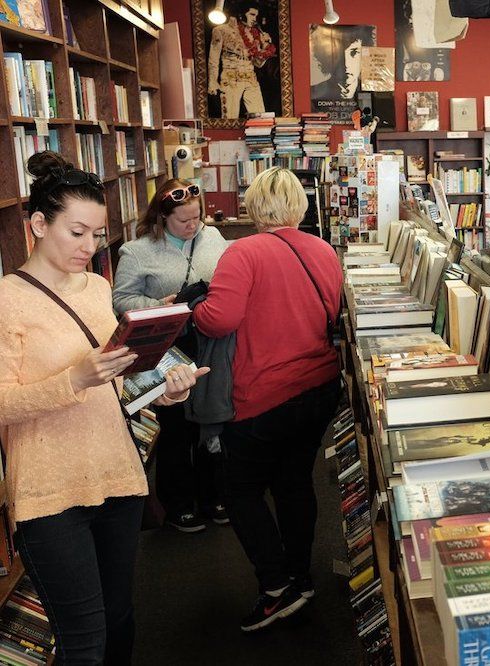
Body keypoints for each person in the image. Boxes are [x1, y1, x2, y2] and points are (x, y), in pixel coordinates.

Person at [0, 151, 205, 663]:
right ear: (38, 224)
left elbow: (119, 377)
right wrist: (73, 379)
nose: (89, 247)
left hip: (117, 477)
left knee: (119, 623)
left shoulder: (97, 287)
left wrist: (166, 388)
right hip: (50, 493)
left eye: (96, 234)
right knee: (84, 643)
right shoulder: (7, 301)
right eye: (77, 233)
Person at [192, 167, 343, 632]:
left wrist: (194, 306)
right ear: (300, 203)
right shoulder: (323, 248)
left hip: (264, 394)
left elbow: (218, 320)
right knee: (294, 481)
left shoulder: (243, 252)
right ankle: (301, 576)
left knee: (239, 489)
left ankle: (276, 586)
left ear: (254, 205)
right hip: (318, 386)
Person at [112, 179, 230, 533]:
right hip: (168, 350)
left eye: (197, 217)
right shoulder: (137, 251)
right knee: (175, 429)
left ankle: (213, 496)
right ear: (163, 217)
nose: (193, 226)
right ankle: (178, 503)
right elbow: (120, 300)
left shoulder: (212, 237)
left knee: (210, 422)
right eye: (183, 220)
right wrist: (157, 305)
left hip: (210, 344)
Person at [208, 2, 275, 119]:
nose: (255, 19)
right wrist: (212, 81)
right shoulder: (222, 30)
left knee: (261, 118)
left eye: (256, 16)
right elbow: (213, 58)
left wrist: (265, 47)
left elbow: (258, 64)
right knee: (230, 118)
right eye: (252, 14)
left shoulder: (254, 34)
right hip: (231, 79)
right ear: (241, 14)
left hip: (251, 79)